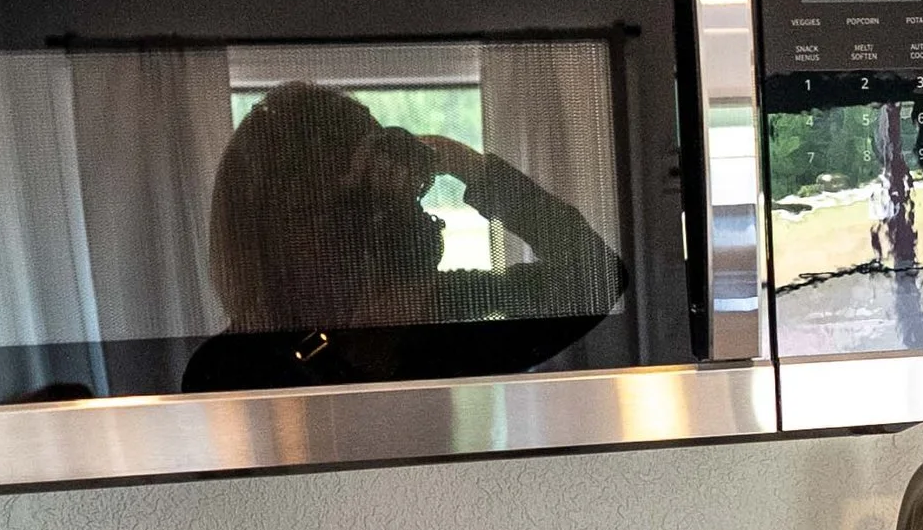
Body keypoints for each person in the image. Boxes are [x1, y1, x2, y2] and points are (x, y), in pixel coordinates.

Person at [185, 80, 627, 389]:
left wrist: (466, 165)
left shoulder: (433, 318)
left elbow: (596, 275)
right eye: (327, 212)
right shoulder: (233, 366)